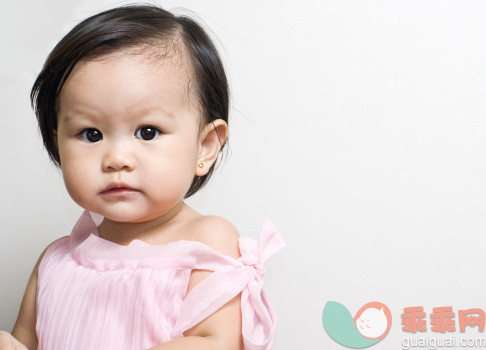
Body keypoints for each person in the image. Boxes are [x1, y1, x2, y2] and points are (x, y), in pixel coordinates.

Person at [0, 4, 285, 350]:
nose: (117, 159)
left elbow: (216, 342)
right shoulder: (55, 261)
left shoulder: (206, 241)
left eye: (147, 132)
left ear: (205, 147)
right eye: (91, 134)